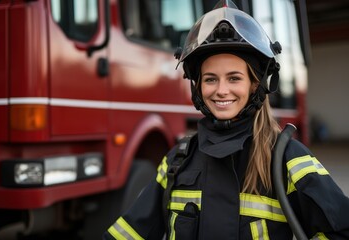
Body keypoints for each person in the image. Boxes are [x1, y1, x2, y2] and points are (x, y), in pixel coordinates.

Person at [103, 1, 349, 239]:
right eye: (210, 79)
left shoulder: (288, 159)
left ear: (256, 85)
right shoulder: (177, 161)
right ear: (197, 87)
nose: (221, 90)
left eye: (234, 78)